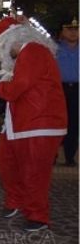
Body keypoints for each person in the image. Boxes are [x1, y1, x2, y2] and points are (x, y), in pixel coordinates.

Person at [0, 17, 67, 232]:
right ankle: (16, 201)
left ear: (10, 41)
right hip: (22, 123)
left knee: (34, 171)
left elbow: (18, 87)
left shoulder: (32, 51)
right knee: (6, 161)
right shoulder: (28, 54)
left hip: (39, 123)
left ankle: (38, 216)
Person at [55, 18, 78, 166]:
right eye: (69, 29)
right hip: (59, 89)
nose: (73, 32)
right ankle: (52, 155)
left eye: (76, 29)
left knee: (74, 124)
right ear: (63, 31)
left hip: (77, 90)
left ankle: (70, 157)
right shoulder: (55, 49)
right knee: (57, 123)